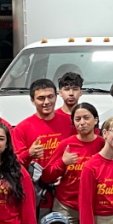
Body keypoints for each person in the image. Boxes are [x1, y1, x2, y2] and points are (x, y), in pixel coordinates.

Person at [12, 79, 74, 214]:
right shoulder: (22, 128)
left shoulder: (70, 123)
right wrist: (29, 154)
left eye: (50, 97)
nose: (47, 102)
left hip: (66, 195)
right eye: (41, 98)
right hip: (37, 197)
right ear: (32, 100)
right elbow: (15, 164)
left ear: (56, 96)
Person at [39, 103, 102, 224]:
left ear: (95, 120)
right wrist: (62, 163)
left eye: (86, 118)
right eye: (77, 119)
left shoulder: (103, 144)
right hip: (66, 206)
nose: (82, 123)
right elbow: (46, 176)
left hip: (94, 206)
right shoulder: (66, 145)